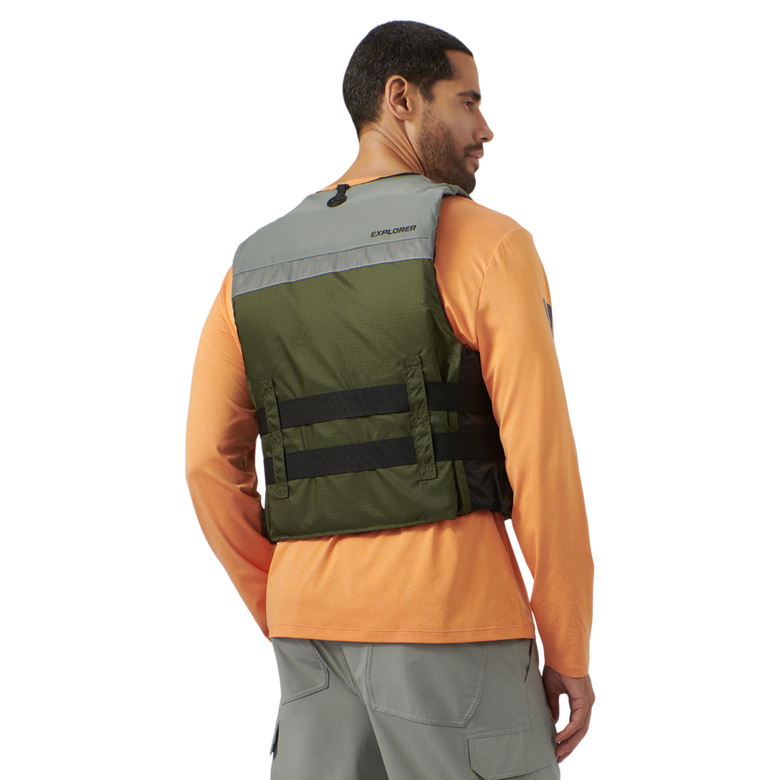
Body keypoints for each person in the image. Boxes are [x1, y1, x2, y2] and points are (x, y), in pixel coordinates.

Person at [184, 19, 596, 778]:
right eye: (468, 102)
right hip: (454, 623)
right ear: (400, 98)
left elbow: (208, 463)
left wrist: (281, 603)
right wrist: (568, 646)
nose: (486, 129)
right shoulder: (488, 243)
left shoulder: (252, 264)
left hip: (310, 635)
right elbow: (542, 461)